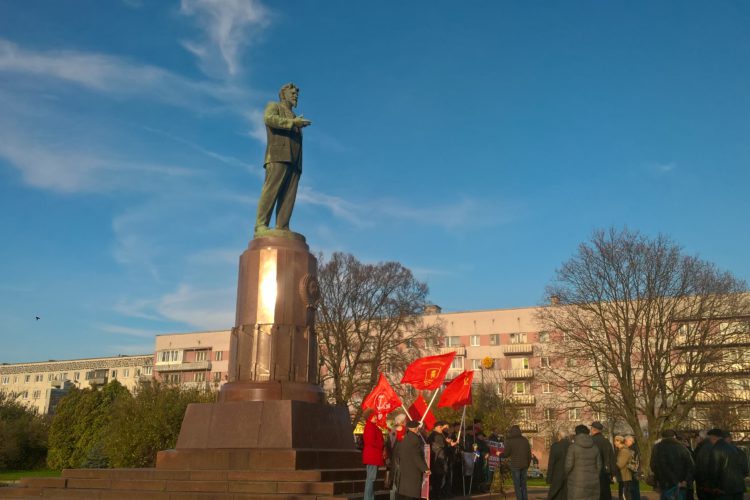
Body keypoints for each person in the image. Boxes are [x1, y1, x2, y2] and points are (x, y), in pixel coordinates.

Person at [254, 82, 311, 235]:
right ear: (283, 94)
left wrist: (295, 122)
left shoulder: (295, 116)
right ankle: (260, 225)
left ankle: (282, 226)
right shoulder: (274, 106)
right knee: (271, 190)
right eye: (292, 93)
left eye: (296, 94)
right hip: (278, 156)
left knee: (289, 195)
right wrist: (292, 123)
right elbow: (269, 119)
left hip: (295, 160)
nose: (295, 96)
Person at [650, 429, 695, 500]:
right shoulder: (682, 447)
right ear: (674, 437)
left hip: (665, 483)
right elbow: (690, 466)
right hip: (681, 484)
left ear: (662, 437)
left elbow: (654, 466)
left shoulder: (657, 448)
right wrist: (686, 481)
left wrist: (658, 479)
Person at [706, 431, 749, 500]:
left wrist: (713, 487)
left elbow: (714, 470)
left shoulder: (715, 449)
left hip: (724, 489)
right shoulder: (736, 449)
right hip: (738, 487)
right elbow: (745, 468)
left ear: (713, 438)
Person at [565, 424, 602, 500]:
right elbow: (599, 466)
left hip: (576, 481)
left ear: (576, 433)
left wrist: (567, 475)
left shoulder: (572, 447)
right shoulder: (595, 447)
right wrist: (594, 475)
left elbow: (568, 466)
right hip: (593, 481)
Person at [396, 420, 430, 500]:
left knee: (406, 493)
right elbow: (416, 456)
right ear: (415, 428)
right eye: (418, 427)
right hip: (413, 469)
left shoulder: (406, 437)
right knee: (412, 493)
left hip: (405, 467)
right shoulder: (415, 439)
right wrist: (425, 469)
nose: (418, 428)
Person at [362, 409, 386, 500]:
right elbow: (370, 441)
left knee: (371, 479)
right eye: (374, 416)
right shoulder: (370, 426)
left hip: (373, 455)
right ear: (370, 417)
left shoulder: (371, 426)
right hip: (372, 456)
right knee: (371, 479)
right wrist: (381, 444)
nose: (376, 418)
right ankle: (368, 498)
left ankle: (369, 497)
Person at [504, 424, 532, 500]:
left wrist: (500, 454)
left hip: (515, 465)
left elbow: (506, 454)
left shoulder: (511, 441)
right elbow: (529, 454)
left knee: (517, 485)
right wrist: (527, 464)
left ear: (511, 432)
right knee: (523, 485)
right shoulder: (525, 440)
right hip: (524, 465)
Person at [591, 421, 616, 500]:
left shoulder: (590, 441)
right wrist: (613, 473)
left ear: (594, 430)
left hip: (592, 472)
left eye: (591, 429)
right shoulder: (606, 442)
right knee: (605, 494)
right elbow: (611, 458)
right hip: (604, 473)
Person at [695, 428, 722, 500]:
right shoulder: (711, 447)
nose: (695, 439)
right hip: (711, 485)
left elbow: (703, 467)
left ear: (701, 438)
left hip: (706, 486)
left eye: (697, 437)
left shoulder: (704, 448)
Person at [387, 414, 408, 500]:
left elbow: (388, 446)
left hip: (400, 459)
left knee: (397, 483)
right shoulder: (395, 431)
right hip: (398, 459)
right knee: (396, 482)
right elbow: (389, 446)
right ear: (403, 422)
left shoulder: (405, 431)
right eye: (405, 420)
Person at [546, 429, 570, 500]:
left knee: (555, 496)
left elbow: (551, 463)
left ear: (559, 436)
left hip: (557, 476)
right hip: (569, 475)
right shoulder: (572, 446)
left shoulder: (555, 446)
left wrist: (549, 478)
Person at [428, 421, 450, 498]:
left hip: (437, 459)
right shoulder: (436, 436)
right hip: (438, 459)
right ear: (436, 427)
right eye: (440, 427)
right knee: (438, 479)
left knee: (438, 479)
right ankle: (436, 495)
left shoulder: (438, 435)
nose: (442, 429)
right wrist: (447, 442)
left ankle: (437, 494)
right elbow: (441, 446)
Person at [614, 435, 634, 500]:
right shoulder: (621, 450)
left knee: (624, 496)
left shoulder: (624, 451)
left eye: (615, 441)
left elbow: (620, 464)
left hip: (624, 477)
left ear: (619, 441)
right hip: (623, 477)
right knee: (624, 496)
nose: (614, 443)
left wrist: (612, 470)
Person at [624, 435, 641, 500]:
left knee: (632, 490)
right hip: (635, 471)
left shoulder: (631, 449)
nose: (625, 443)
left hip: (632, 471)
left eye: (626, 441)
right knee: (635, 489)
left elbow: (630, 462)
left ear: (630, 441)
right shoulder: (635, 448)